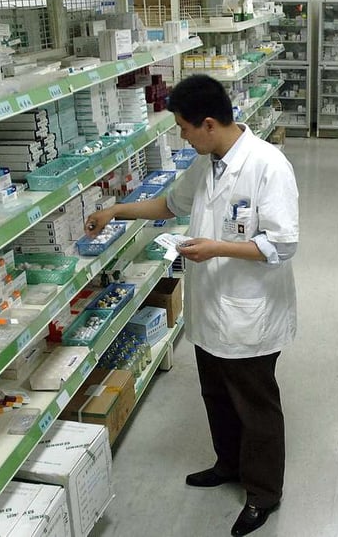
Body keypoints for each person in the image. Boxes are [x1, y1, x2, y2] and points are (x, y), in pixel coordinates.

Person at [84, 74, 299, 536]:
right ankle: (228, 463)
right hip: (209, 309)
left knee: (256, 407)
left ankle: (263, 493)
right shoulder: (209, 163)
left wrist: (217, 248)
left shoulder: (268, 165)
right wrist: (116, 211)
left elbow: (282, 244)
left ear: (208, 124)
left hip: (250, 315)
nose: (182, 137)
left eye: (184, 128)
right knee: (216, 395)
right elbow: (170, 205)